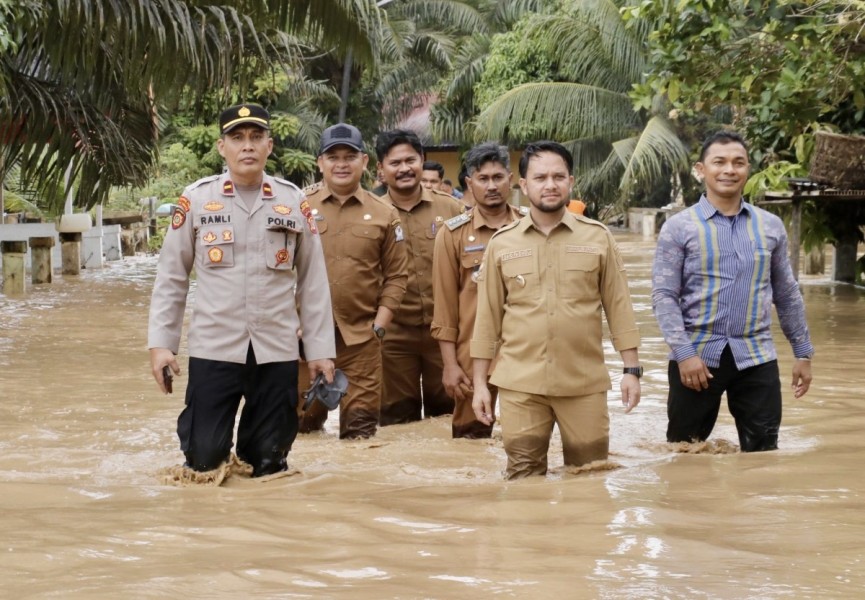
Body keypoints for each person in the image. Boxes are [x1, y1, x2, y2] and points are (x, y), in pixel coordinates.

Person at [148, 103, 336, 477]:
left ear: (270, 145)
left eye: (255, 137)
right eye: (237, 138)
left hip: (276, 350)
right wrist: (161, 345)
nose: (246, 146)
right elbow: (172, 276)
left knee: (268, 462)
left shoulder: (292, 201)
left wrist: (319, 351)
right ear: (222, 147)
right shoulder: (197, 200)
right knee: (203, 459)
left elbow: (314, 282)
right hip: (215, 347)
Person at [471, 140, 642, 479]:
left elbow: (619, 306)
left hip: (583, 384)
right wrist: (480, 386)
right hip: (520, 386)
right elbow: (487, 319)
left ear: (571, 182)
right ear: (523, 186)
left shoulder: (598, 238)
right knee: (522, 478)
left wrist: (631, 370)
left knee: (590, 476)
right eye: (540, 177)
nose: (550, 185)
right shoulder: (502, 243)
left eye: (558, 176)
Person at [652, 130, 814, 451]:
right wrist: (685, 355)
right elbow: (663, 296)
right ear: (702, 169)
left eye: (738, 162)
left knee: (763, 453)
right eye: (720, 162)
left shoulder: (769, 226)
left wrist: (803, 352)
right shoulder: (678, 227)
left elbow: (786, 293)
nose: (729, 169)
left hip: (756, 356)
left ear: (747, 169)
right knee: (685, 453)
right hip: (696, 360)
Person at [297, 123, 409, 439]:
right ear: (320, 163)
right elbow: (278, 271)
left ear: (365, 162)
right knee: (299, 430)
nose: (342, 164)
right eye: (333, 157)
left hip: (361, 341)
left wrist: (380, 326)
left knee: (360, 435)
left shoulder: (385, 213)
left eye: (350, 156)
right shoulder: (298, 207)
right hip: (302, 340)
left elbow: (397, 275)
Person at [431, 142, 526, 438]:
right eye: (483, 179)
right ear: (470, 184)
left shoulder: (530, 226)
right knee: (469, 442)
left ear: (510, 179)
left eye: (498, 177)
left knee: (526, 439)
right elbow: (445, 308)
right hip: (471, 357)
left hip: (525, 353)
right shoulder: (452, 234)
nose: (492, 186)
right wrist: (449, 365)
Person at [375, 129, 462, 425]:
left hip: (446, 336)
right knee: (396, 423)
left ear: (422, 160)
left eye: (410, 160)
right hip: (394, 337)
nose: (404, 169)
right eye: (394, 163)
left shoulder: (452, 209)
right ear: (380, 169)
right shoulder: (372, 212)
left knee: (451, 417)